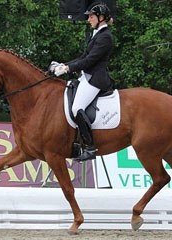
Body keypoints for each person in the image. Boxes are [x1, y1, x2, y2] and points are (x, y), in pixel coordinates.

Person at [49, 3, 114, 162]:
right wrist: (64, 65)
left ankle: (90, 148)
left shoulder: (105, 37)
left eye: (91, 17)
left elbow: (90, 61)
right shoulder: (97, 34)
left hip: (96, 79)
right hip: (86, 76)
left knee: (77, 107)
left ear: (101, 18)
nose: (88, 20)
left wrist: (68, 69)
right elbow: (83, 57)